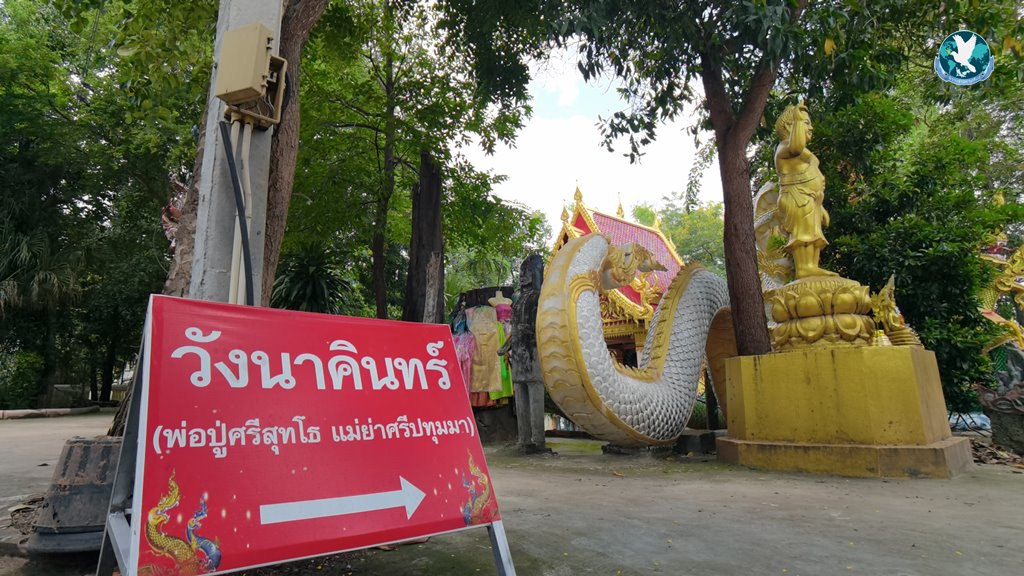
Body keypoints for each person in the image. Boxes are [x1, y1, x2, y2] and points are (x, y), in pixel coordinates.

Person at [774, 101, 837, 279]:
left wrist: (820, 205)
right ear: (790, 126)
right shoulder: (785, 147)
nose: (811, 127)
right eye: (806, 123)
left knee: (813, 234)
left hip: (810, 198)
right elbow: (796, 147)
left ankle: (812, 266)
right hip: (796, 197)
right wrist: (797, 119)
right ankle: (804, 268)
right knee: (803, 235)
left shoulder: (803, 151)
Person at [497, 255, 550, 454]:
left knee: (535, 393)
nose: (522, 276)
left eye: (527, 271)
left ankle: (538, 440)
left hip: (534, 350)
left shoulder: (539, 297)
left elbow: (543, 325)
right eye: (521, 272)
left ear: (535, 273)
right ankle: (524, 438)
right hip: (519, 353)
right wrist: (506, 346)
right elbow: (515, 329)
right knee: (520, 394)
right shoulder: (518, 300)